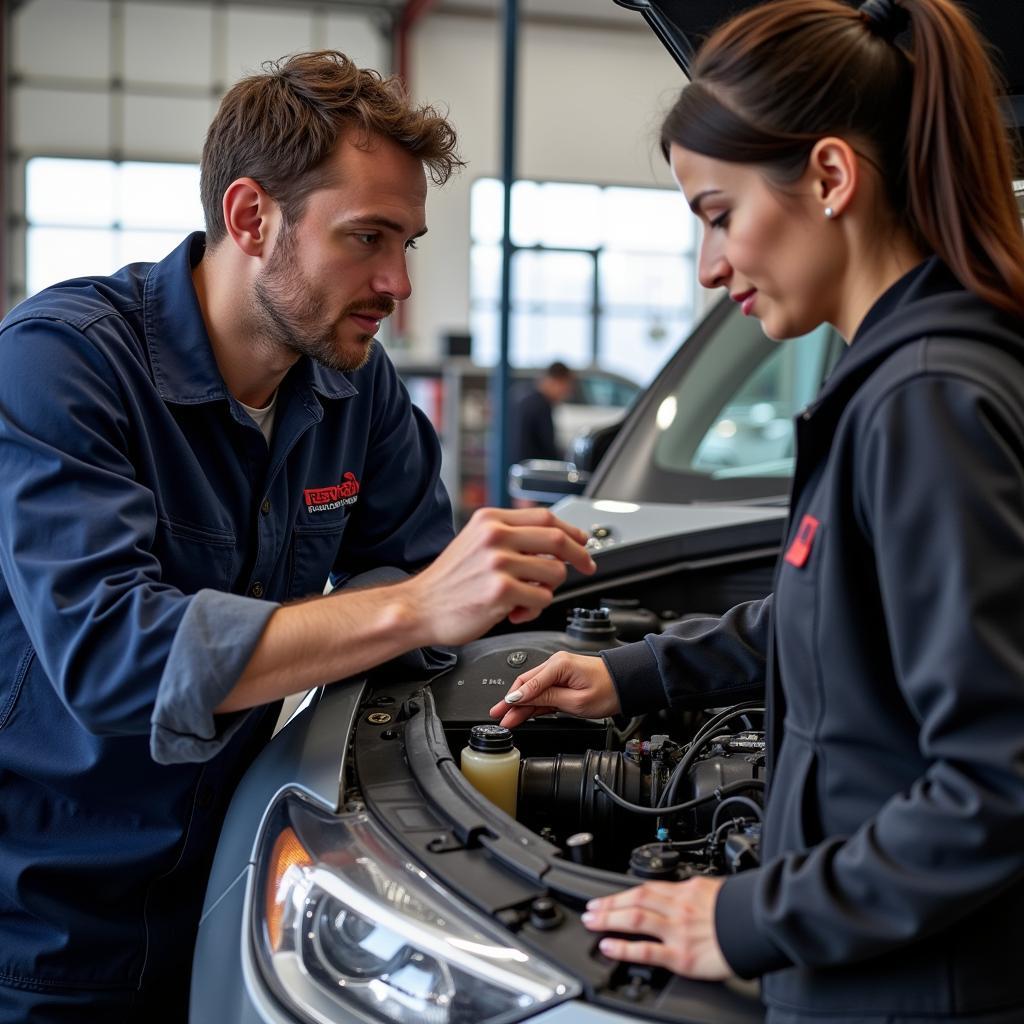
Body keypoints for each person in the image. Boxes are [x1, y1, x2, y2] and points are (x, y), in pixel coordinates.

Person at [0, 51, 595, 1022]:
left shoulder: (354, 384)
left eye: (406, 241)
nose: (398, 281)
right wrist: (412, 604)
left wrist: (456, 601)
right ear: (249, 217)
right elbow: (116, 655)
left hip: (232, 882)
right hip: (46, 923)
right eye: (366, 237)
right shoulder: (60, 365)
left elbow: (408, 557)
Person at [492, 0, 1024, 1020]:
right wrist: (628, 674)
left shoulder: (925, 403)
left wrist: (736, 916)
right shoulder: (892, 385)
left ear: (829, 178)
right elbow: (832, 611)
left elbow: (996, 785)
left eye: (717, 214)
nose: (708, 266)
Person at [509, 359, 575, 464]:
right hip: (533, 470)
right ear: (555, 381)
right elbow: (548, 447)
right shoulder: (541, 406)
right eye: (565, 386)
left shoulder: (528, 399)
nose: (566, 392)